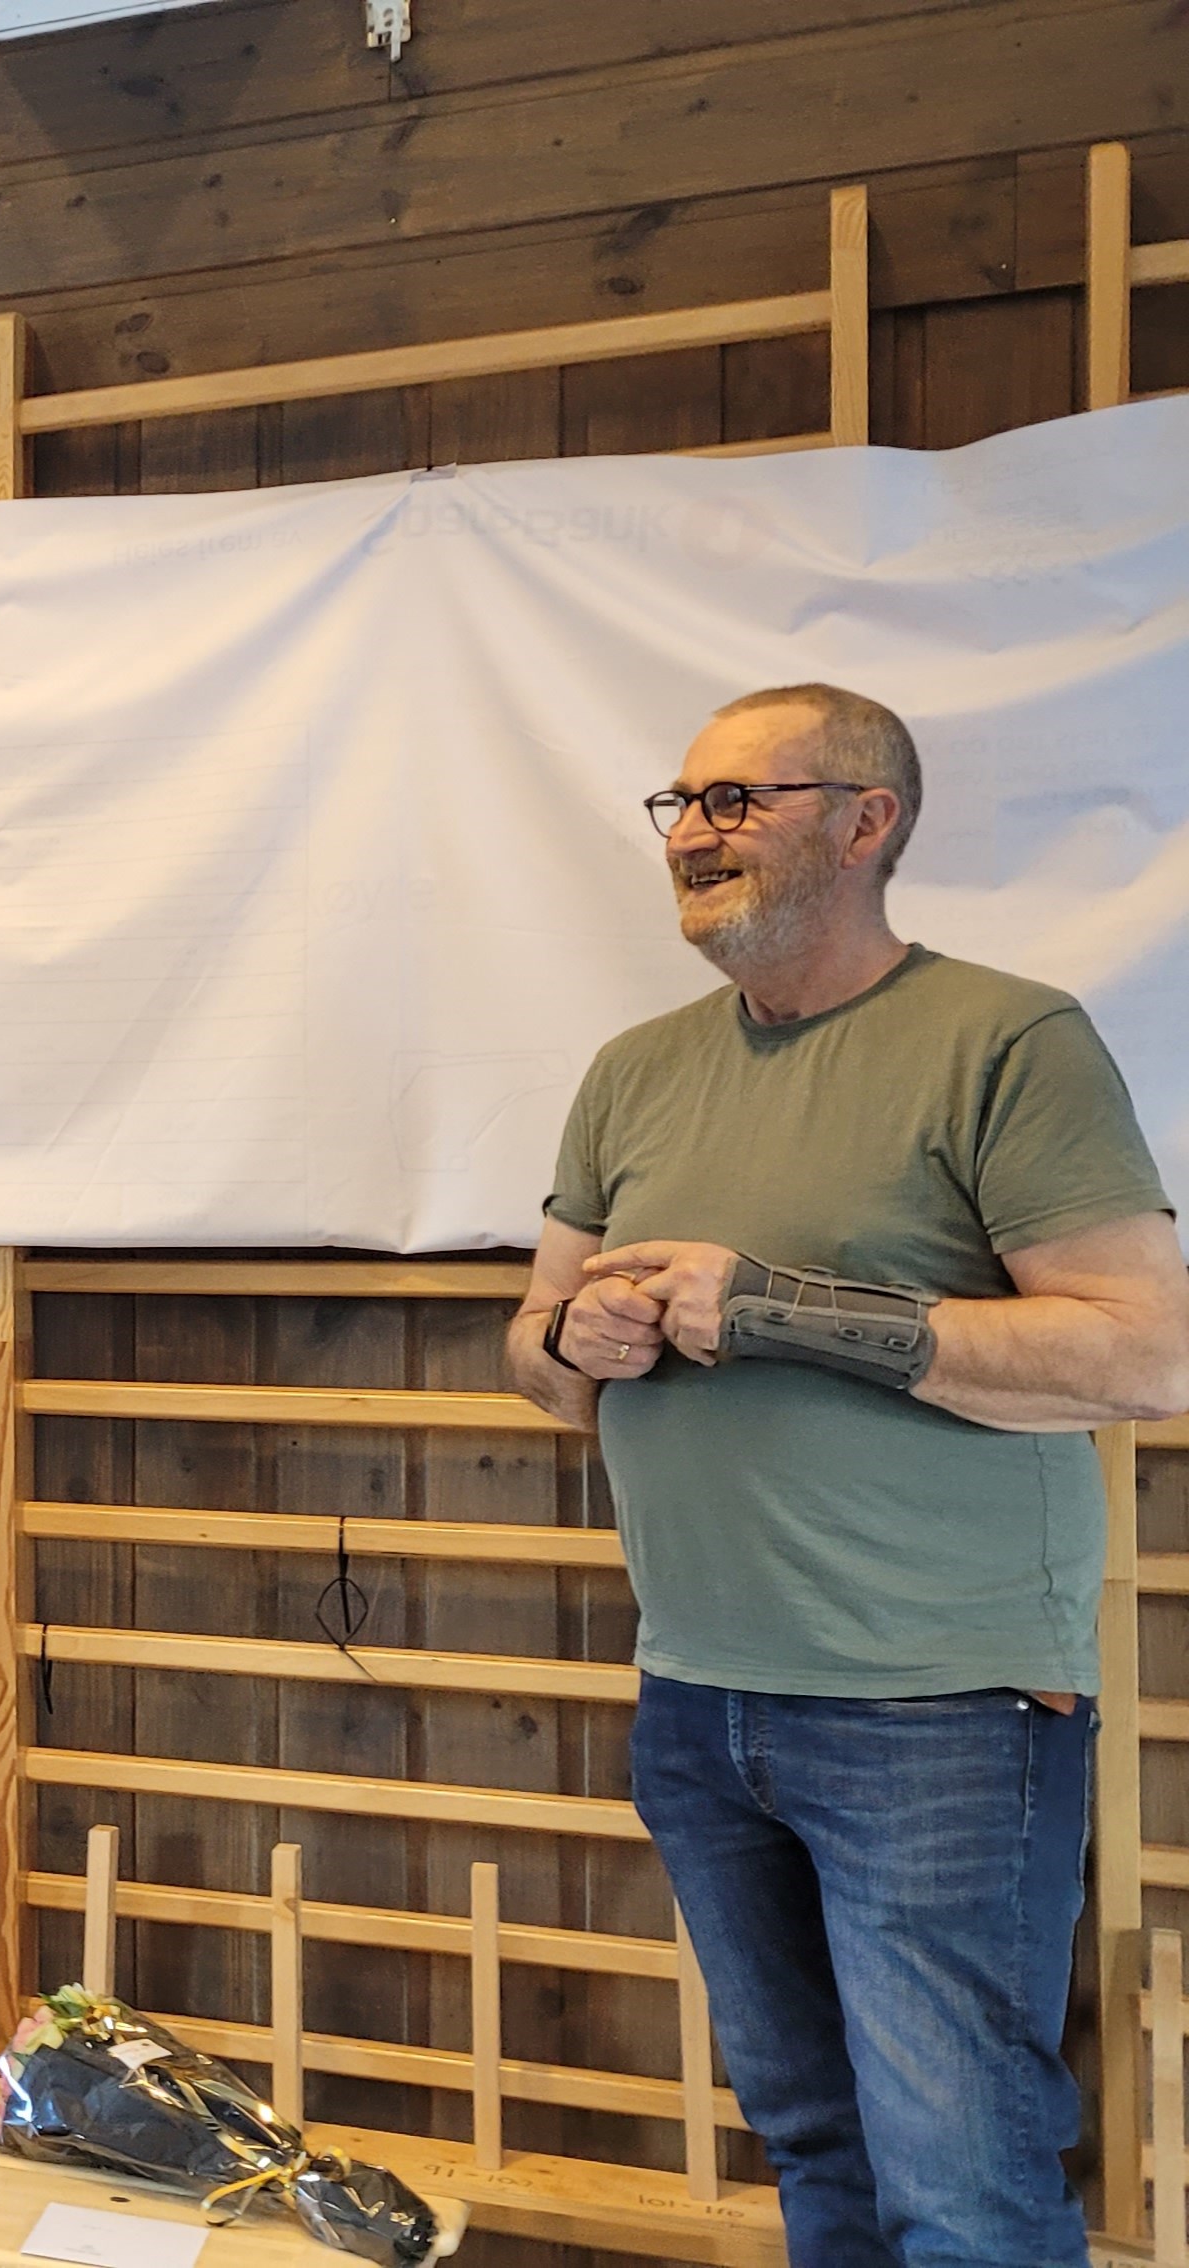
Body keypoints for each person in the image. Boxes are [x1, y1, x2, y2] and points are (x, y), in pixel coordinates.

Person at [509, 684, 1189, 2268]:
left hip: (939, 1712)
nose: (694, 835)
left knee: (964, 2190)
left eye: (738, 801)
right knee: (817, 2147)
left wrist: (781, 1311)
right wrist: (575, 1336)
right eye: (681, 805)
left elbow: (1145, 1357)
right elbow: (532, 1357)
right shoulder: (633, 1071)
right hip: (697, 1700)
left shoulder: (1005, 1040)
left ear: (867, 821)